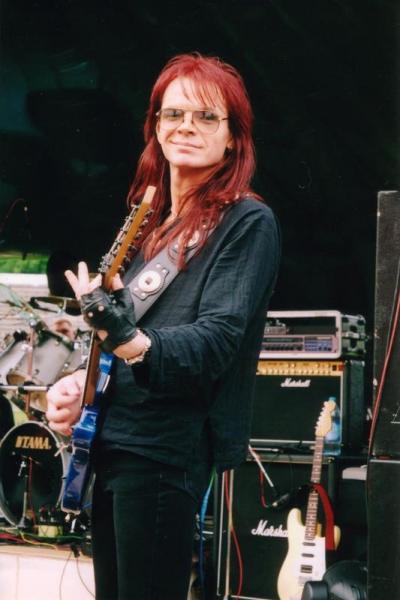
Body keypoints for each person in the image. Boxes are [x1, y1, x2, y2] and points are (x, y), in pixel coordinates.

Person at [46, 52, 281, 600]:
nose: (187, 127)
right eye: (173, 114)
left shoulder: (247, 221)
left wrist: (125, 337)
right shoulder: (153, 225)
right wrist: (80, 383)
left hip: (165, 451)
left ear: (233, 138)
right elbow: (126, 336)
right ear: (155, 127)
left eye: (206, 116)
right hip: (114, 445)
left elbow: (216, 341)